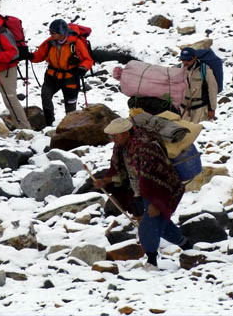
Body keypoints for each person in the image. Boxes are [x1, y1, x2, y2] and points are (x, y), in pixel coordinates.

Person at [91, 119, 188, 267]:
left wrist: (156, 202)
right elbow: (124, 172)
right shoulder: (121, 147)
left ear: (125, 133)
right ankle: (187, 246)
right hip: (139, 192)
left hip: (158, 191)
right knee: (160, 225)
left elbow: (157, 176)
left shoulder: (146, 147)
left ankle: (151, 261)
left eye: (115, 136)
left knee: (147, 228)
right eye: (111, 137)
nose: (113, 140)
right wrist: (106, 181)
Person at [32, 20, 93, 127]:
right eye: (50, 32)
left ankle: (69, 127)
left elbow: (87, 59)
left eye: (53, 33)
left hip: (70, 77)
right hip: (52, 76)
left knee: (70, 107)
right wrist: (29, 56)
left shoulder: (75, 43)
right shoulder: (49, 42)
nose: (50, 35)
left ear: (62, 33)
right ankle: (48, 123)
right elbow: (39, 56)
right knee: (45, 96)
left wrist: (83, 68)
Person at [180, 49, 217, 124]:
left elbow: (212, 89)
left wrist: (212, 109)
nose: (185, 62)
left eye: (188, 59)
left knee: (199, 134)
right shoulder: (177, 69)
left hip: (200, 109)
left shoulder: (204, 70)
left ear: (194, 58)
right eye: (183, 59)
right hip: (182, 109)